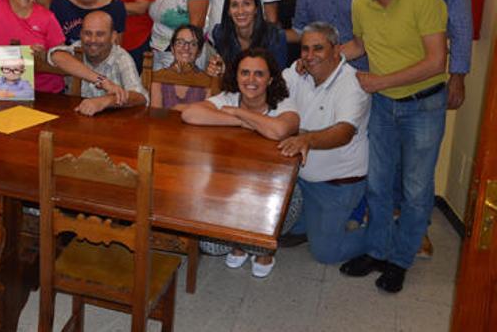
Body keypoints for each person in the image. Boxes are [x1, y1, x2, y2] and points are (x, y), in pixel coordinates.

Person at [338, 0, 448, 294]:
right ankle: (376, 251)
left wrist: (379, 80)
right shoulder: (359, 3)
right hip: (384, 106)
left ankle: (400, 260)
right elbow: (361, 45)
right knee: (378, 185)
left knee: (416, 190)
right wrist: (321, 57)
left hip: (424, 105)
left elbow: (436, 61)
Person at [182, 48, 300, 277]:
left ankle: (261, 249)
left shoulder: (283, 103)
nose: (251, 80)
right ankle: (240, 243)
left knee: (263, 235)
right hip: (233, 188)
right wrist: (241, 123)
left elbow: (280, 130)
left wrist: (240, 113)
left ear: (270, 78)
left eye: (259, 74)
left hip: (272, 191)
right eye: (244, 73)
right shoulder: (227, 97)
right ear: (236, 76)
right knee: (211, 246)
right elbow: (190, 114)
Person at [277, 22, 371, 264]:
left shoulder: (352, 84)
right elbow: (269, 89)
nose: (310, 56)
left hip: (337, 185)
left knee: (326, 253)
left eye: (318, 49)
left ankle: (386, 232)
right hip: (301, 180)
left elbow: (344, 132)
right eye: (305, 49)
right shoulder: (299, 73)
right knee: (278, 230)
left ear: (336, 50)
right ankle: (311, 225)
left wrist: (305, 138)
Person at [48, 11, 148, 116]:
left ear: (113, 36)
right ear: (81, 34)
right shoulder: (78, 49)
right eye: (87, 33)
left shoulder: (121, 58)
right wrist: (101, 81)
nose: (93, 40)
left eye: (100, 34)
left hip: (114, 123)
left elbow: (140, 97)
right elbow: (55, 55)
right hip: (76, 118)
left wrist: (106, 101)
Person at [207, 0, 288, 75]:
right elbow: (222, 71)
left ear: (256, 9)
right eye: (234, 5)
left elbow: (278, 78)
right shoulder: (220, 33)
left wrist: (229, 72)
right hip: (231, 88)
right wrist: (217, 69)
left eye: (247, 4)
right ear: (228, 11)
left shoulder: (275, 36)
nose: (240, 11)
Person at [150, 25, 212, 111]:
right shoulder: (159, 78)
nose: (186, 48)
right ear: (172, 48)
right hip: (163, 124)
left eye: (193, 44)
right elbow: (155, 117)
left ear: (199, 52)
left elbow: (206, 115)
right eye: (180, 42)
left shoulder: (207, 82)